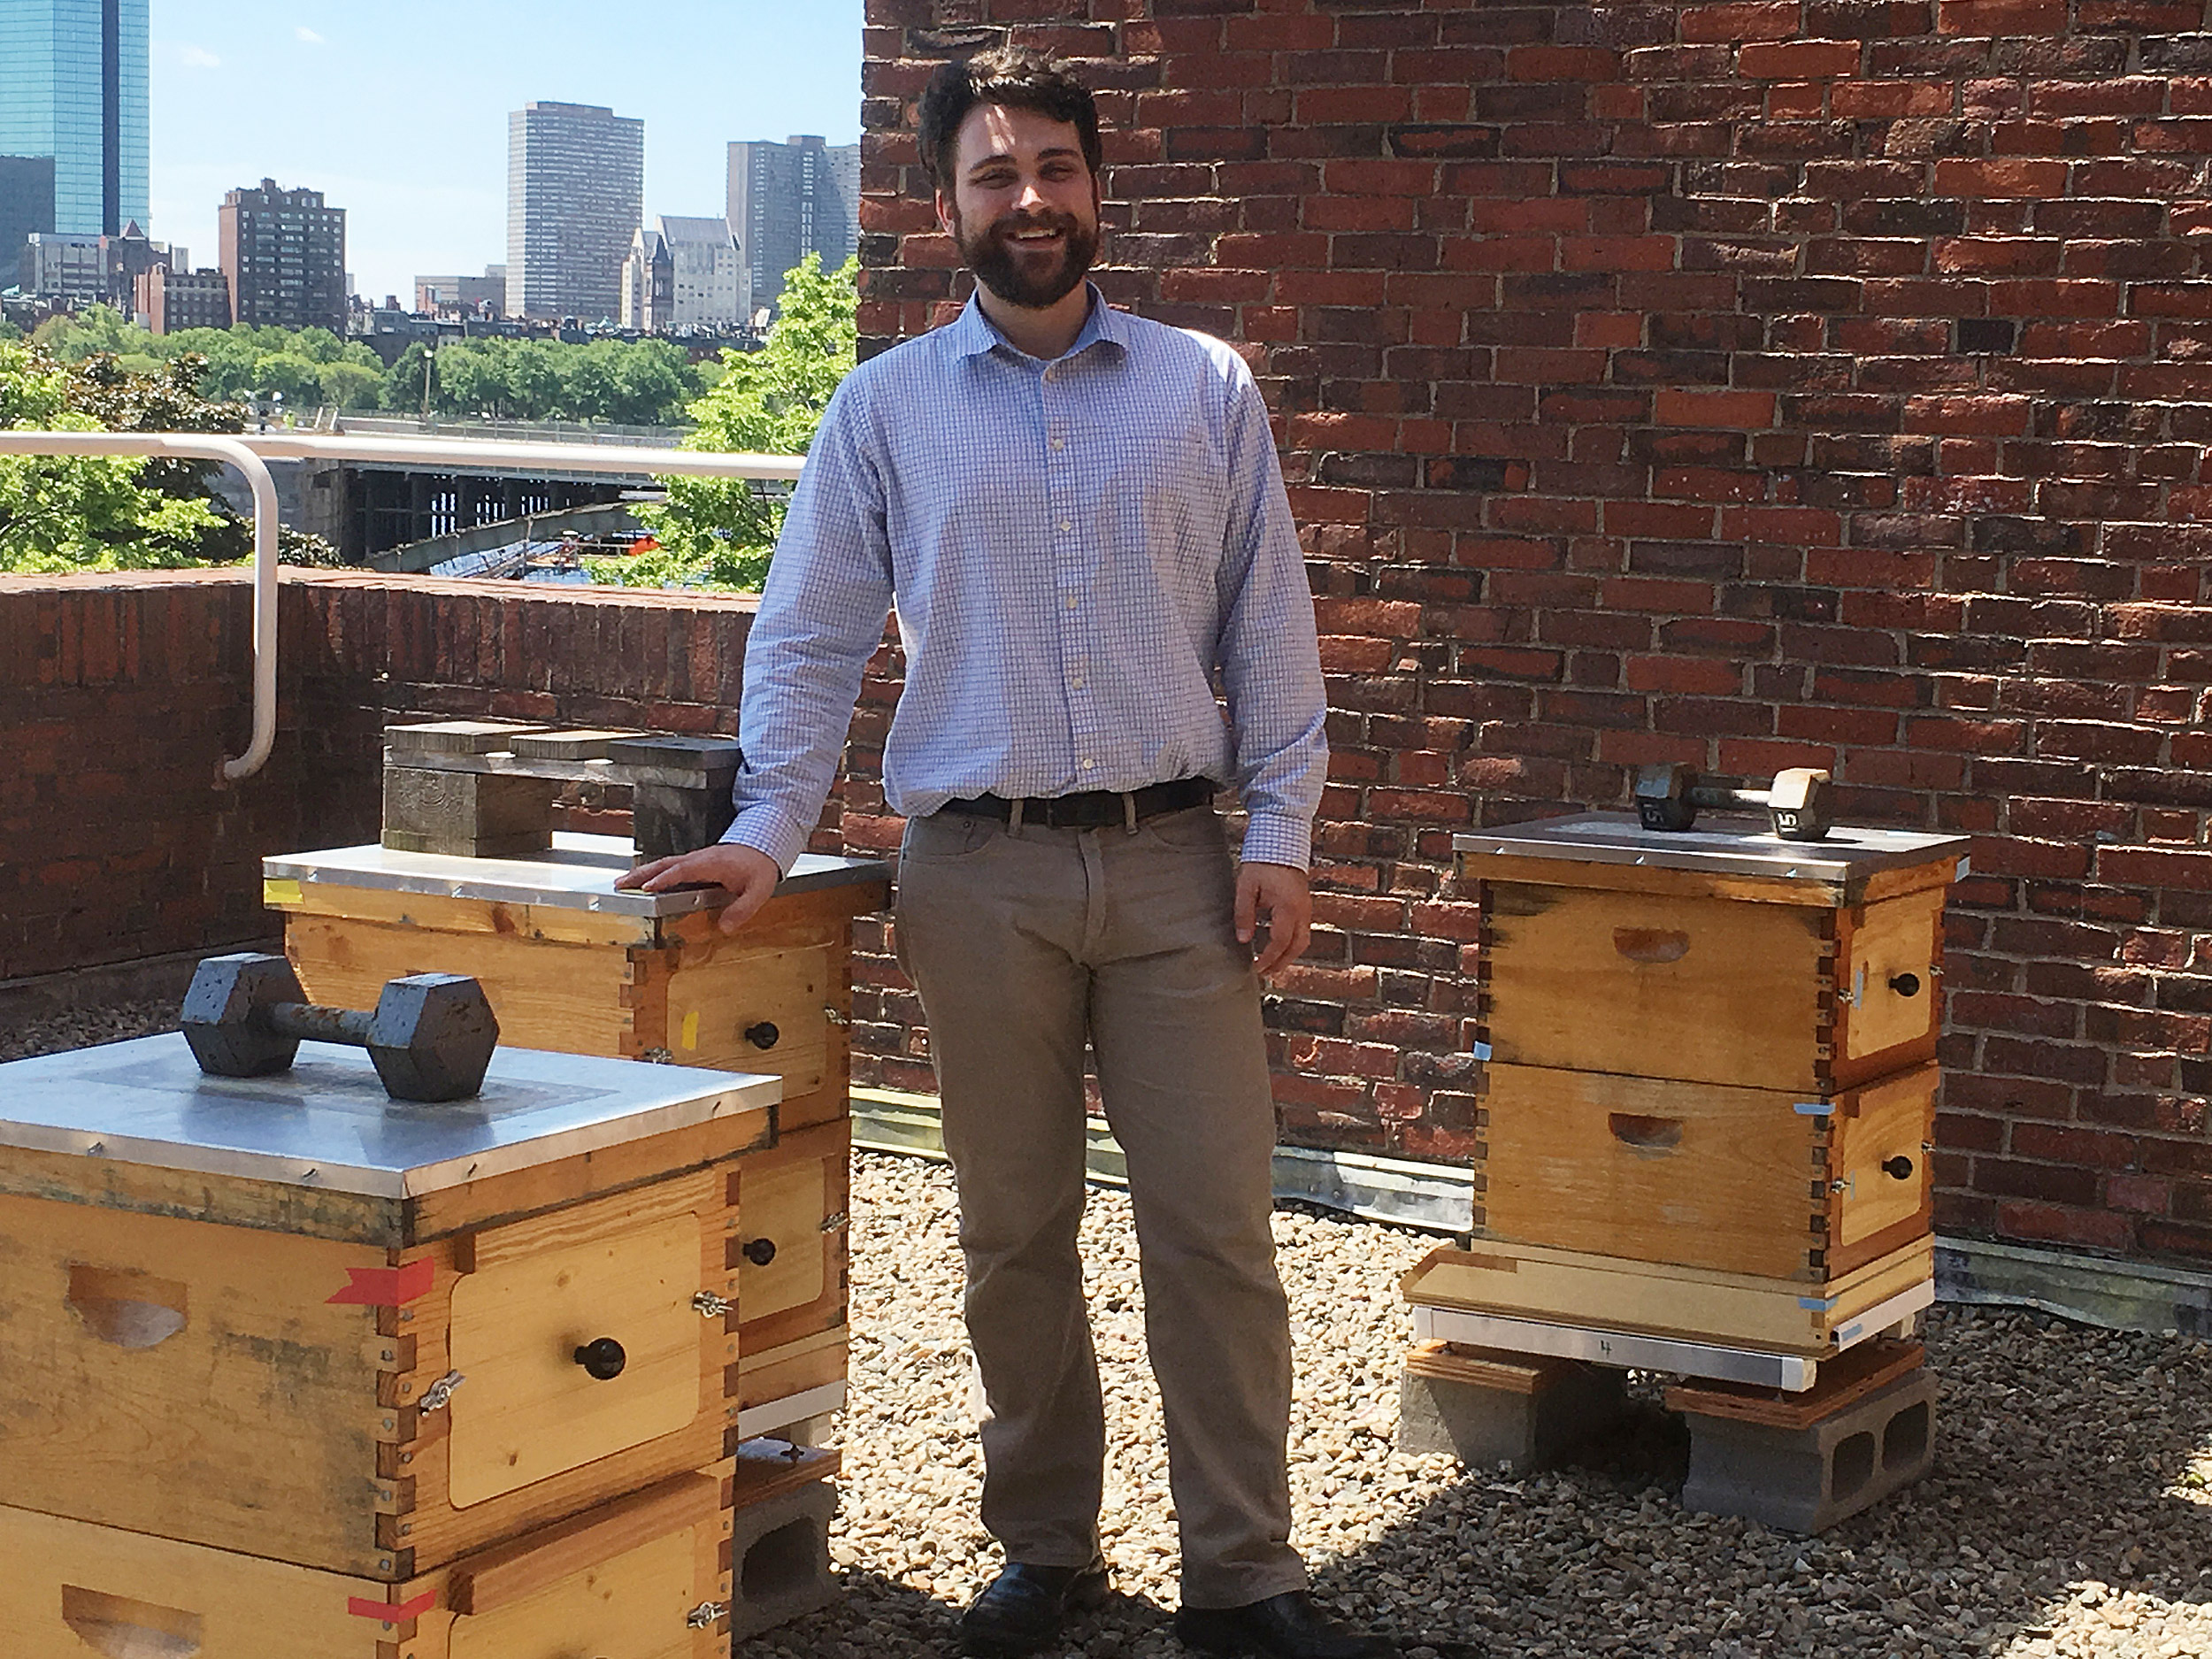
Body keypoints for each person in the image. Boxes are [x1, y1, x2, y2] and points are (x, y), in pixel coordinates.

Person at [618, 45, 1389, 1659]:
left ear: (1095, 189)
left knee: (1215, 1232)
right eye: (994, 172)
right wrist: (769, 829)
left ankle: (1245, 1579)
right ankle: (1048, 1550)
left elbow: (1275, 628)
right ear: (945, 204)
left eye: (1055, 165)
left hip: (1183, 867)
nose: (1029, 197)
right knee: (1012, 1233)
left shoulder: (1205, 388)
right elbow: (812, 636)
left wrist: (1284, 834)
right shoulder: (884, 408)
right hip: (979, 876)